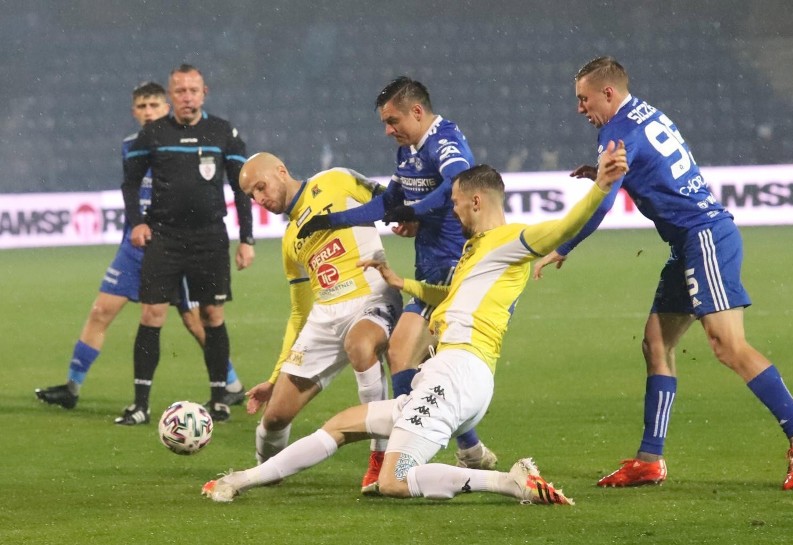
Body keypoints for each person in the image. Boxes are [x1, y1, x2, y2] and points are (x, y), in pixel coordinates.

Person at [202, 150, 628, 505]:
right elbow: (450, 298)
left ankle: (507, 482)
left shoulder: (510, 239)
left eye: (456, 203)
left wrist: (602, 186)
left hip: (458, 373)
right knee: (339, 425)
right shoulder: (475, 250)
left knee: (394, 481)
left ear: (476, 201)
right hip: (453, 376)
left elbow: (564, 226)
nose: (453, 210)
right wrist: (400, 282)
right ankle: (243, 479)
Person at [534, 56, 793, 490]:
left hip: (704, 237)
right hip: (688, 243)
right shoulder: (643, 114)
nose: (580, 107)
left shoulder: (617, 131)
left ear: (608, 93)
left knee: (727, 345)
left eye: (584, 98)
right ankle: (649, 460)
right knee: (656, 343)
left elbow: (602, 201)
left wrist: (564, 246)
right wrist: (600, 171)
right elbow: (640, 164)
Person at [297, 76, 496, 469]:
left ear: (417, 111)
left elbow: (460, 180)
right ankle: (468, 449)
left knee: (405, 353)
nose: (389, 131)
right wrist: (332, 220)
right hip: (430, 268)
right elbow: (389, 202)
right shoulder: (409, 153)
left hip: (455, 271)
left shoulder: (445, 140)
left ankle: (411, 451)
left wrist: (415, 212)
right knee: (414, 360)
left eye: (393, 121)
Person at [35, 82, 245, 411]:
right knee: (100, 311)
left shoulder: (179, 141)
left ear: (167, 108)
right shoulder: (131, 146)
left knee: (195, 320)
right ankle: (72, 387)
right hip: (135, 249)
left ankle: (230, 383)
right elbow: (130, 190)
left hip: (173, 244)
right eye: (142, 107)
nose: (149, 113)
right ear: (134, 112)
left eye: (154, 106)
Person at [238, 152, 402, 495]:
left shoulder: (334, 180)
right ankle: (265, 471)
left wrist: (406, 218)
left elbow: (391, 199)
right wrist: (272, 378)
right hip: (324, 319)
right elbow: (300, 312)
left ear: (281, 171)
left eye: (261, 187)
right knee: (274, 419)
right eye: (252, 196)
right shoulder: (289, 241)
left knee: (360, 345)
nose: (259, 199)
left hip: (372, 296)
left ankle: (380, 459)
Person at [119, 64, 255, 425]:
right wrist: (137, 222)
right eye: (180, 91)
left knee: (212, 316)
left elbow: (241, 189)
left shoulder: (222, 131)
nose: (187, 97)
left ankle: (219, 398)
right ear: (171, 94)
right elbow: (130, 183)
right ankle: (140, 404)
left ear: (204, 92)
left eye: (193, 90)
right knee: (152, 315)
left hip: (210, 238)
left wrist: (246, 239)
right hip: (164, 237)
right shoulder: (154, 133)